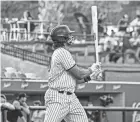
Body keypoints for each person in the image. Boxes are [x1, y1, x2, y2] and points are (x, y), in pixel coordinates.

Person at [44, 25, 102, 122]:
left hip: (71, 97)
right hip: (58, 97)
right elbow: (78, 73)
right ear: (63, 38)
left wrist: (91, 77)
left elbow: (75, 80)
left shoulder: (63, 52)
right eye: (69, 35)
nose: (71, 37)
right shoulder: (61, 52)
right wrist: (91, 69)